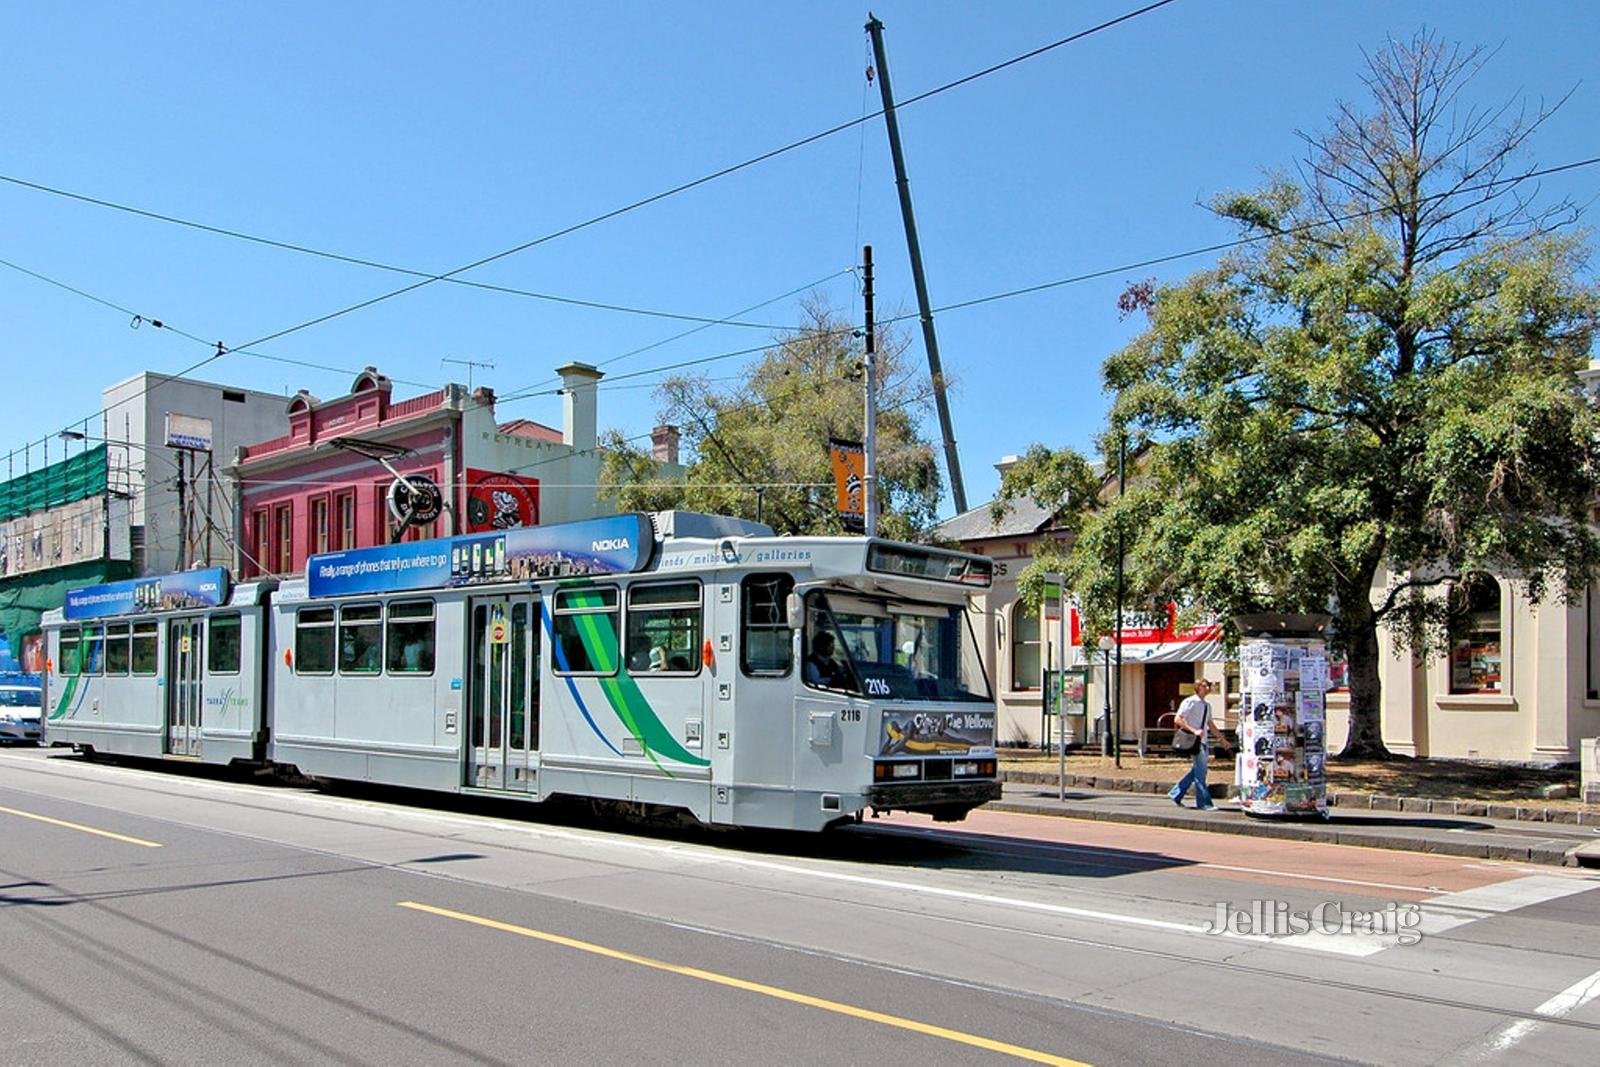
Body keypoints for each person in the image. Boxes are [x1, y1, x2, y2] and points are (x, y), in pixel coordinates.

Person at [1168, 678, 1233, 810]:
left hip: (1202, 742)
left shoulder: (1207, 705)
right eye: (1205, 685)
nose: (1208, 688)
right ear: (1198, 687)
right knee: (1201, 773)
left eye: (1209, 685)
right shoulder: (1190, 702)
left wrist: (1222, 740)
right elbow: (1178, 719)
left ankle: (1176, 793)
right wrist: (1194, 730)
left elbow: (1210, 724)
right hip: (1194, 740)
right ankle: (1204, 803)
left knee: (1198, 771)